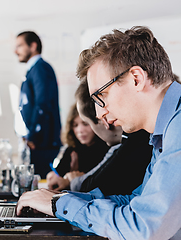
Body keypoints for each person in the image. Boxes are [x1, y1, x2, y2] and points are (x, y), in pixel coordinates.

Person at [17, 26, 181, 239]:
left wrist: (60, 204)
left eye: (100, 96)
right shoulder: (163, 133)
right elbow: (136, 202)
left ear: (136, 79)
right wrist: (59, 200)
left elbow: (144, 227)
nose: (99, 113)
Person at [49, 80, 152, 195]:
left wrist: (72, 183)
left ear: (103, 120)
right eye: (75, 125)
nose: (80, 130)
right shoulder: (132, 140)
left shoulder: (133, 143)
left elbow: (93, 187)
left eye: (87, 124)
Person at [15, 31, 62, 177]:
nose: (15, 51)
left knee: (41, 188)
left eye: (20, 45)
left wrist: (33, 137)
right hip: (37, 143)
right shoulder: (33, 70)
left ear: (33, 46)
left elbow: (43, 104)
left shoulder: (40, 68)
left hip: (41, 143)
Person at [46, 103, 109, 188]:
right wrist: (54, 176)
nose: (80, 130)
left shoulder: (107, 148)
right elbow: (59, 173)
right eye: (75, 125)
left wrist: (74, 179)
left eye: (85, 124)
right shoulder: (72, 149)